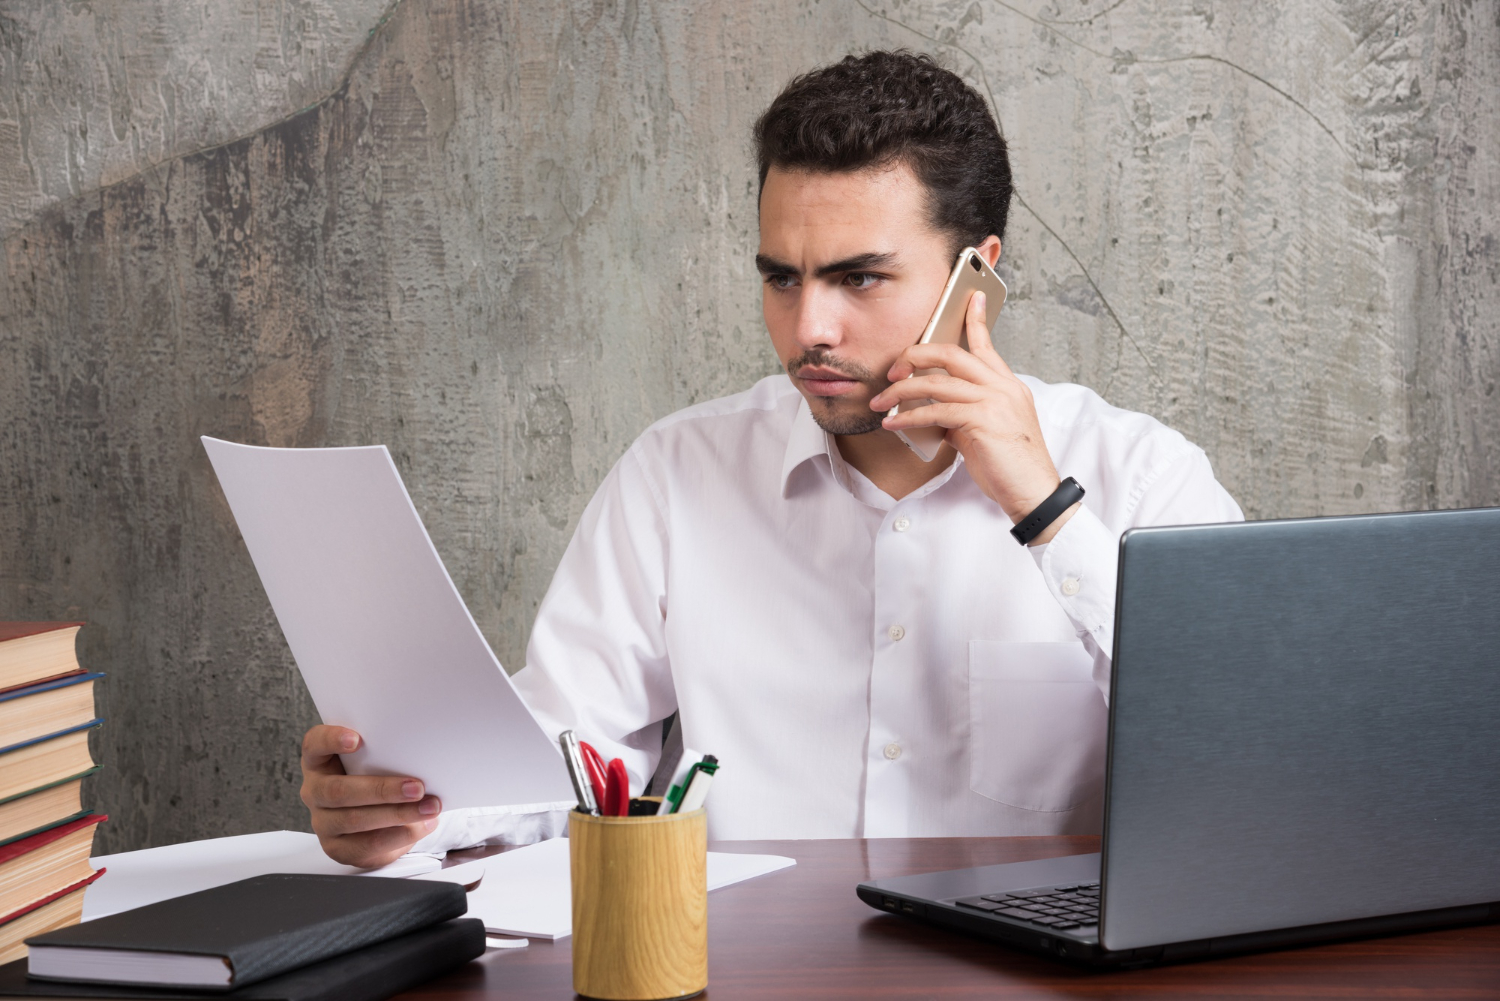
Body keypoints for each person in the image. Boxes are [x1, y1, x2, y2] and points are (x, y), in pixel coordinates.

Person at [300, 50, 1242, 867]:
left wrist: (1048, 512)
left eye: (859, 277)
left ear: (979, 274)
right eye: (781, 278)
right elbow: (567, 756)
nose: (809, 329)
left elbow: (1250, 743)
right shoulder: (678, 474)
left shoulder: (1139, 477)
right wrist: (415, 808)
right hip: (735, 968)